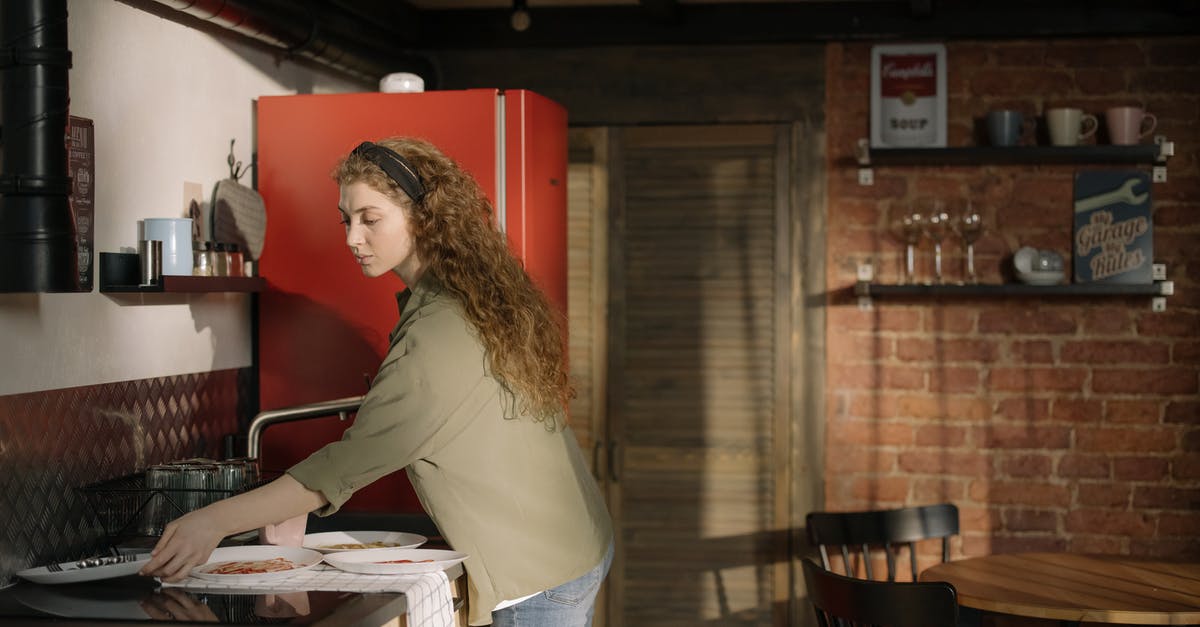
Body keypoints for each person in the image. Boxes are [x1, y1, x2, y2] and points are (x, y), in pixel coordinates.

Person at [140, 136, 614, 627]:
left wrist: (211, 521)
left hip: (534, 576)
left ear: (424, 218)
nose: (352, 237)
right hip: (568, 544)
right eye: (347, 219)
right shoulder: (465, 297)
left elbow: (347, 463)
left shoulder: (440, 328)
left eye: (371, 218)